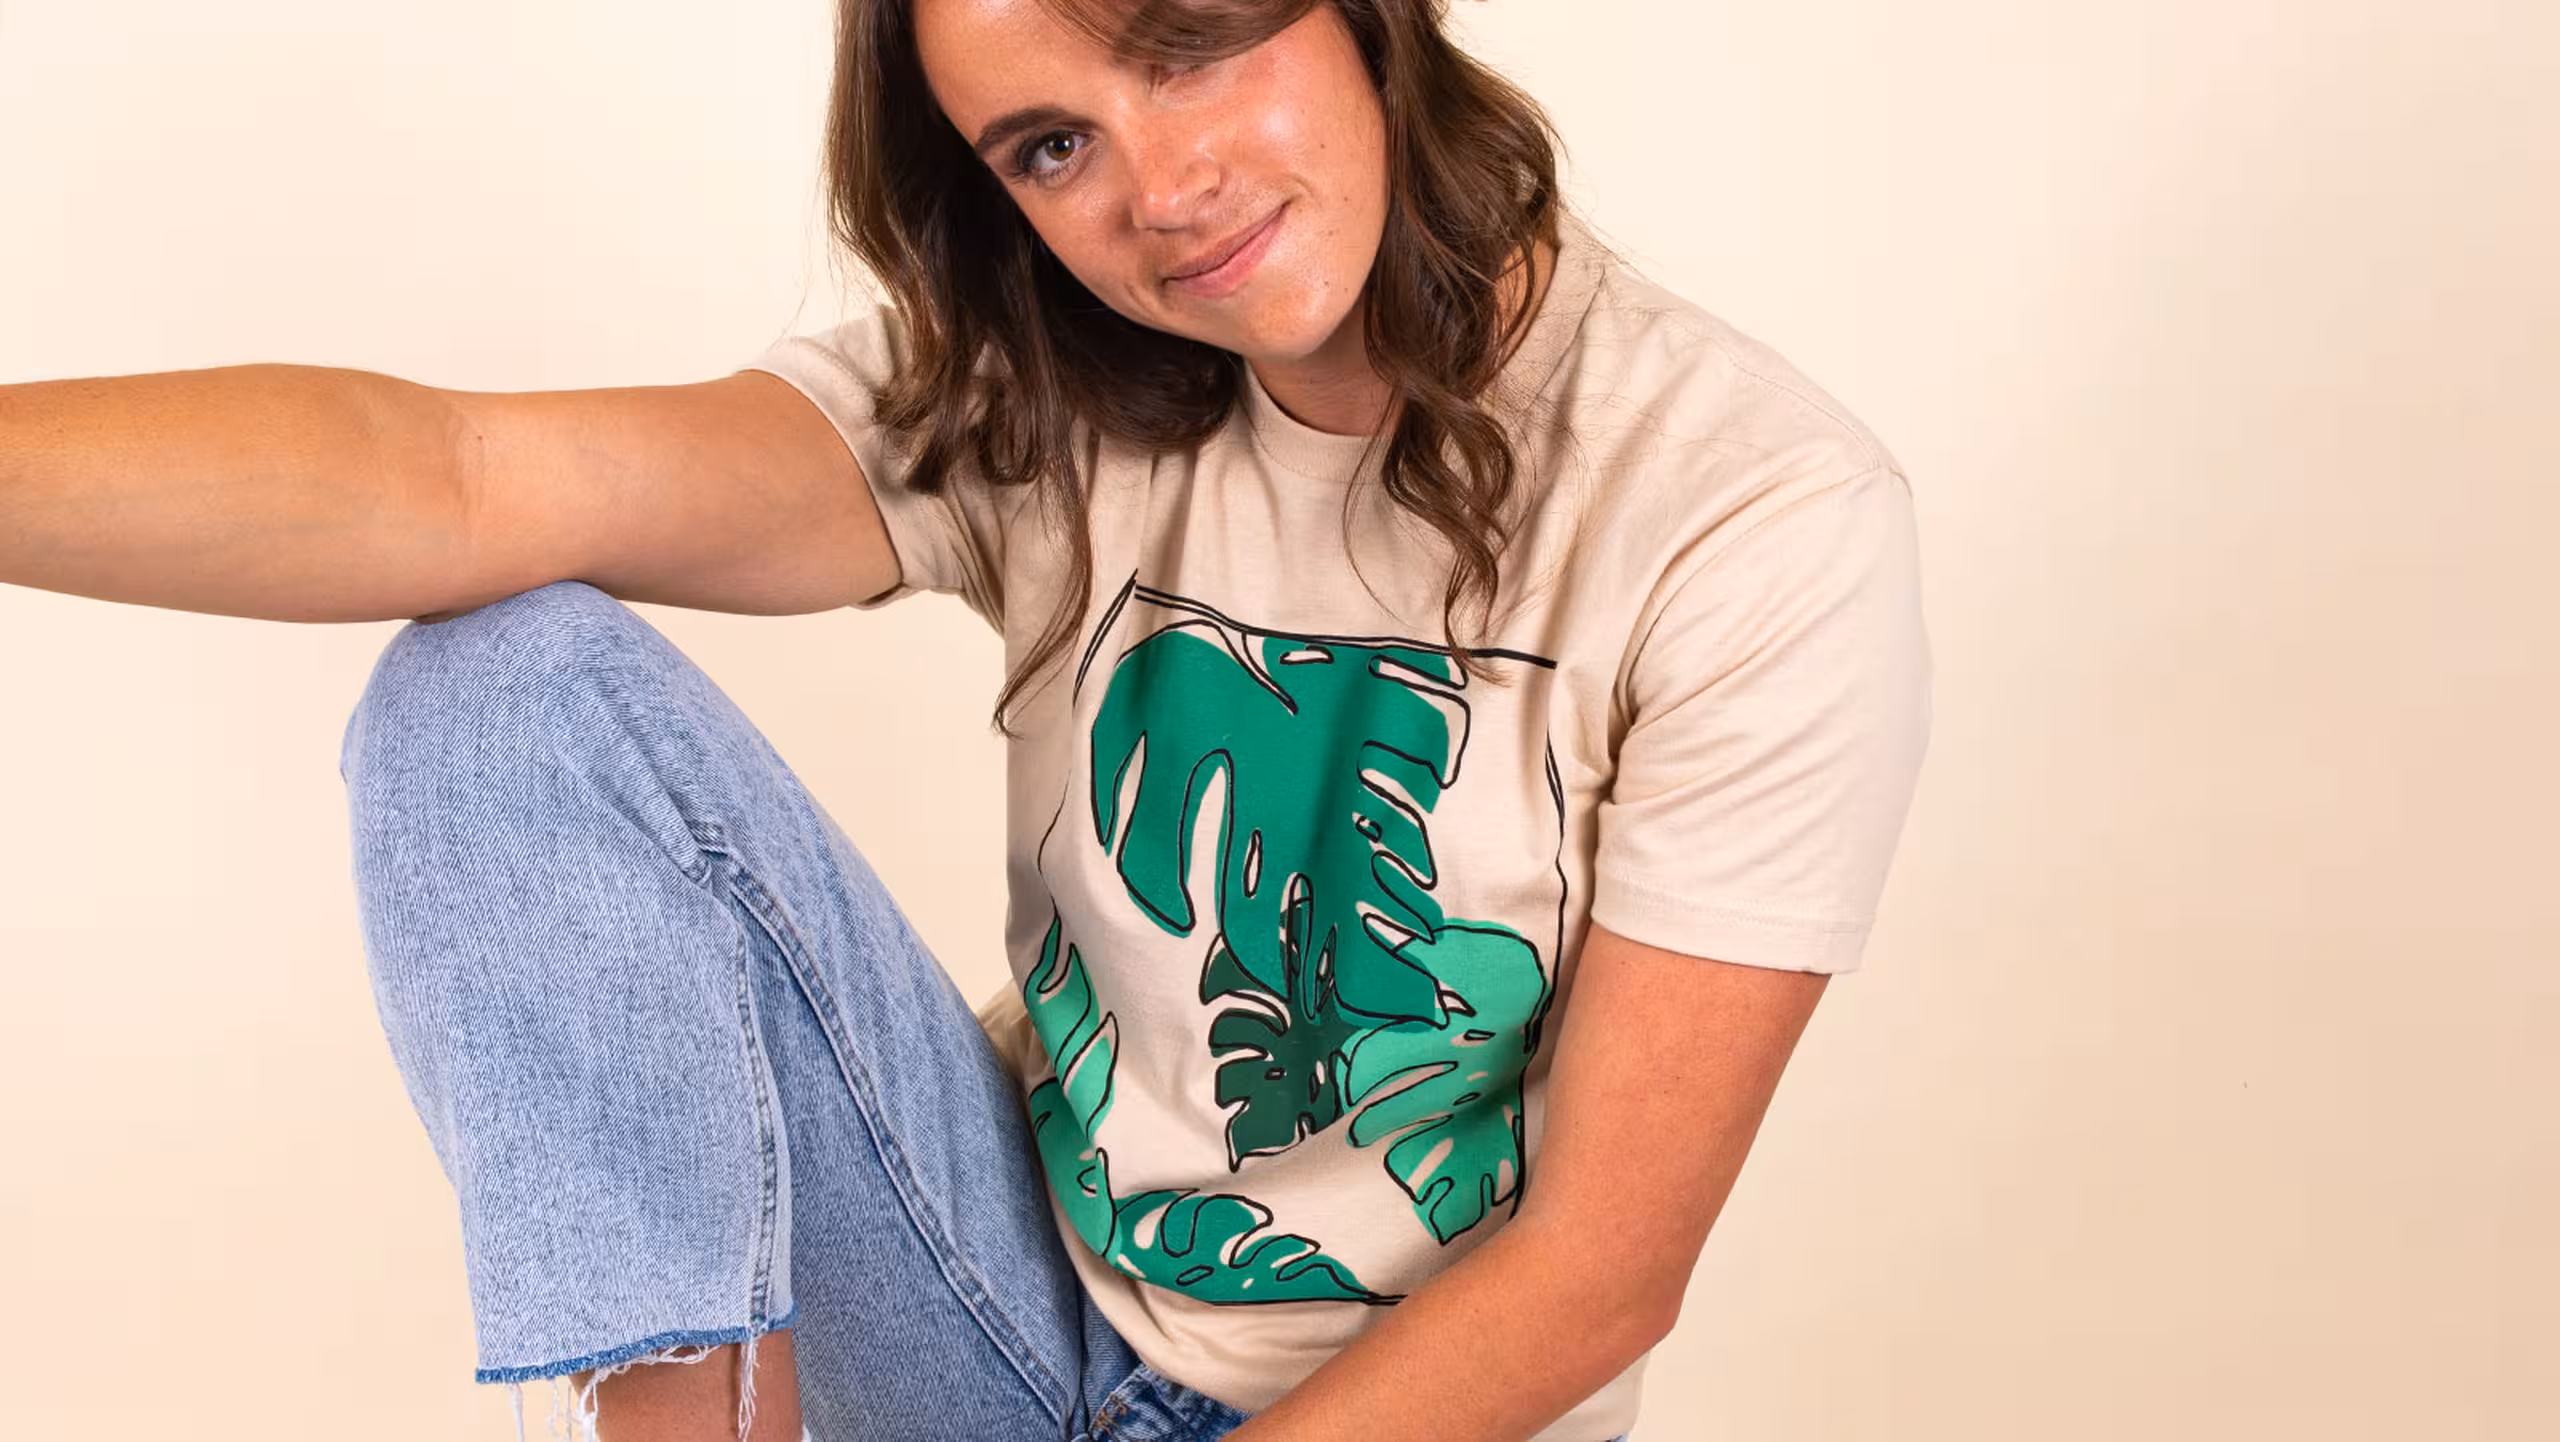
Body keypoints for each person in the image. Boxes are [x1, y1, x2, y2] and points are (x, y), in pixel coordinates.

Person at [0, 0, 1932, 1439]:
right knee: (498, 689)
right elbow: (450, 476)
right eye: (1049, 145)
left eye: (1184, 45)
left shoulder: (1745, 507)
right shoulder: (1054, 398)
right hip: (1000, 1309)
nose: (1158, 194)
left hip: (1393, 1416)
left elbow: (1599, 1270)